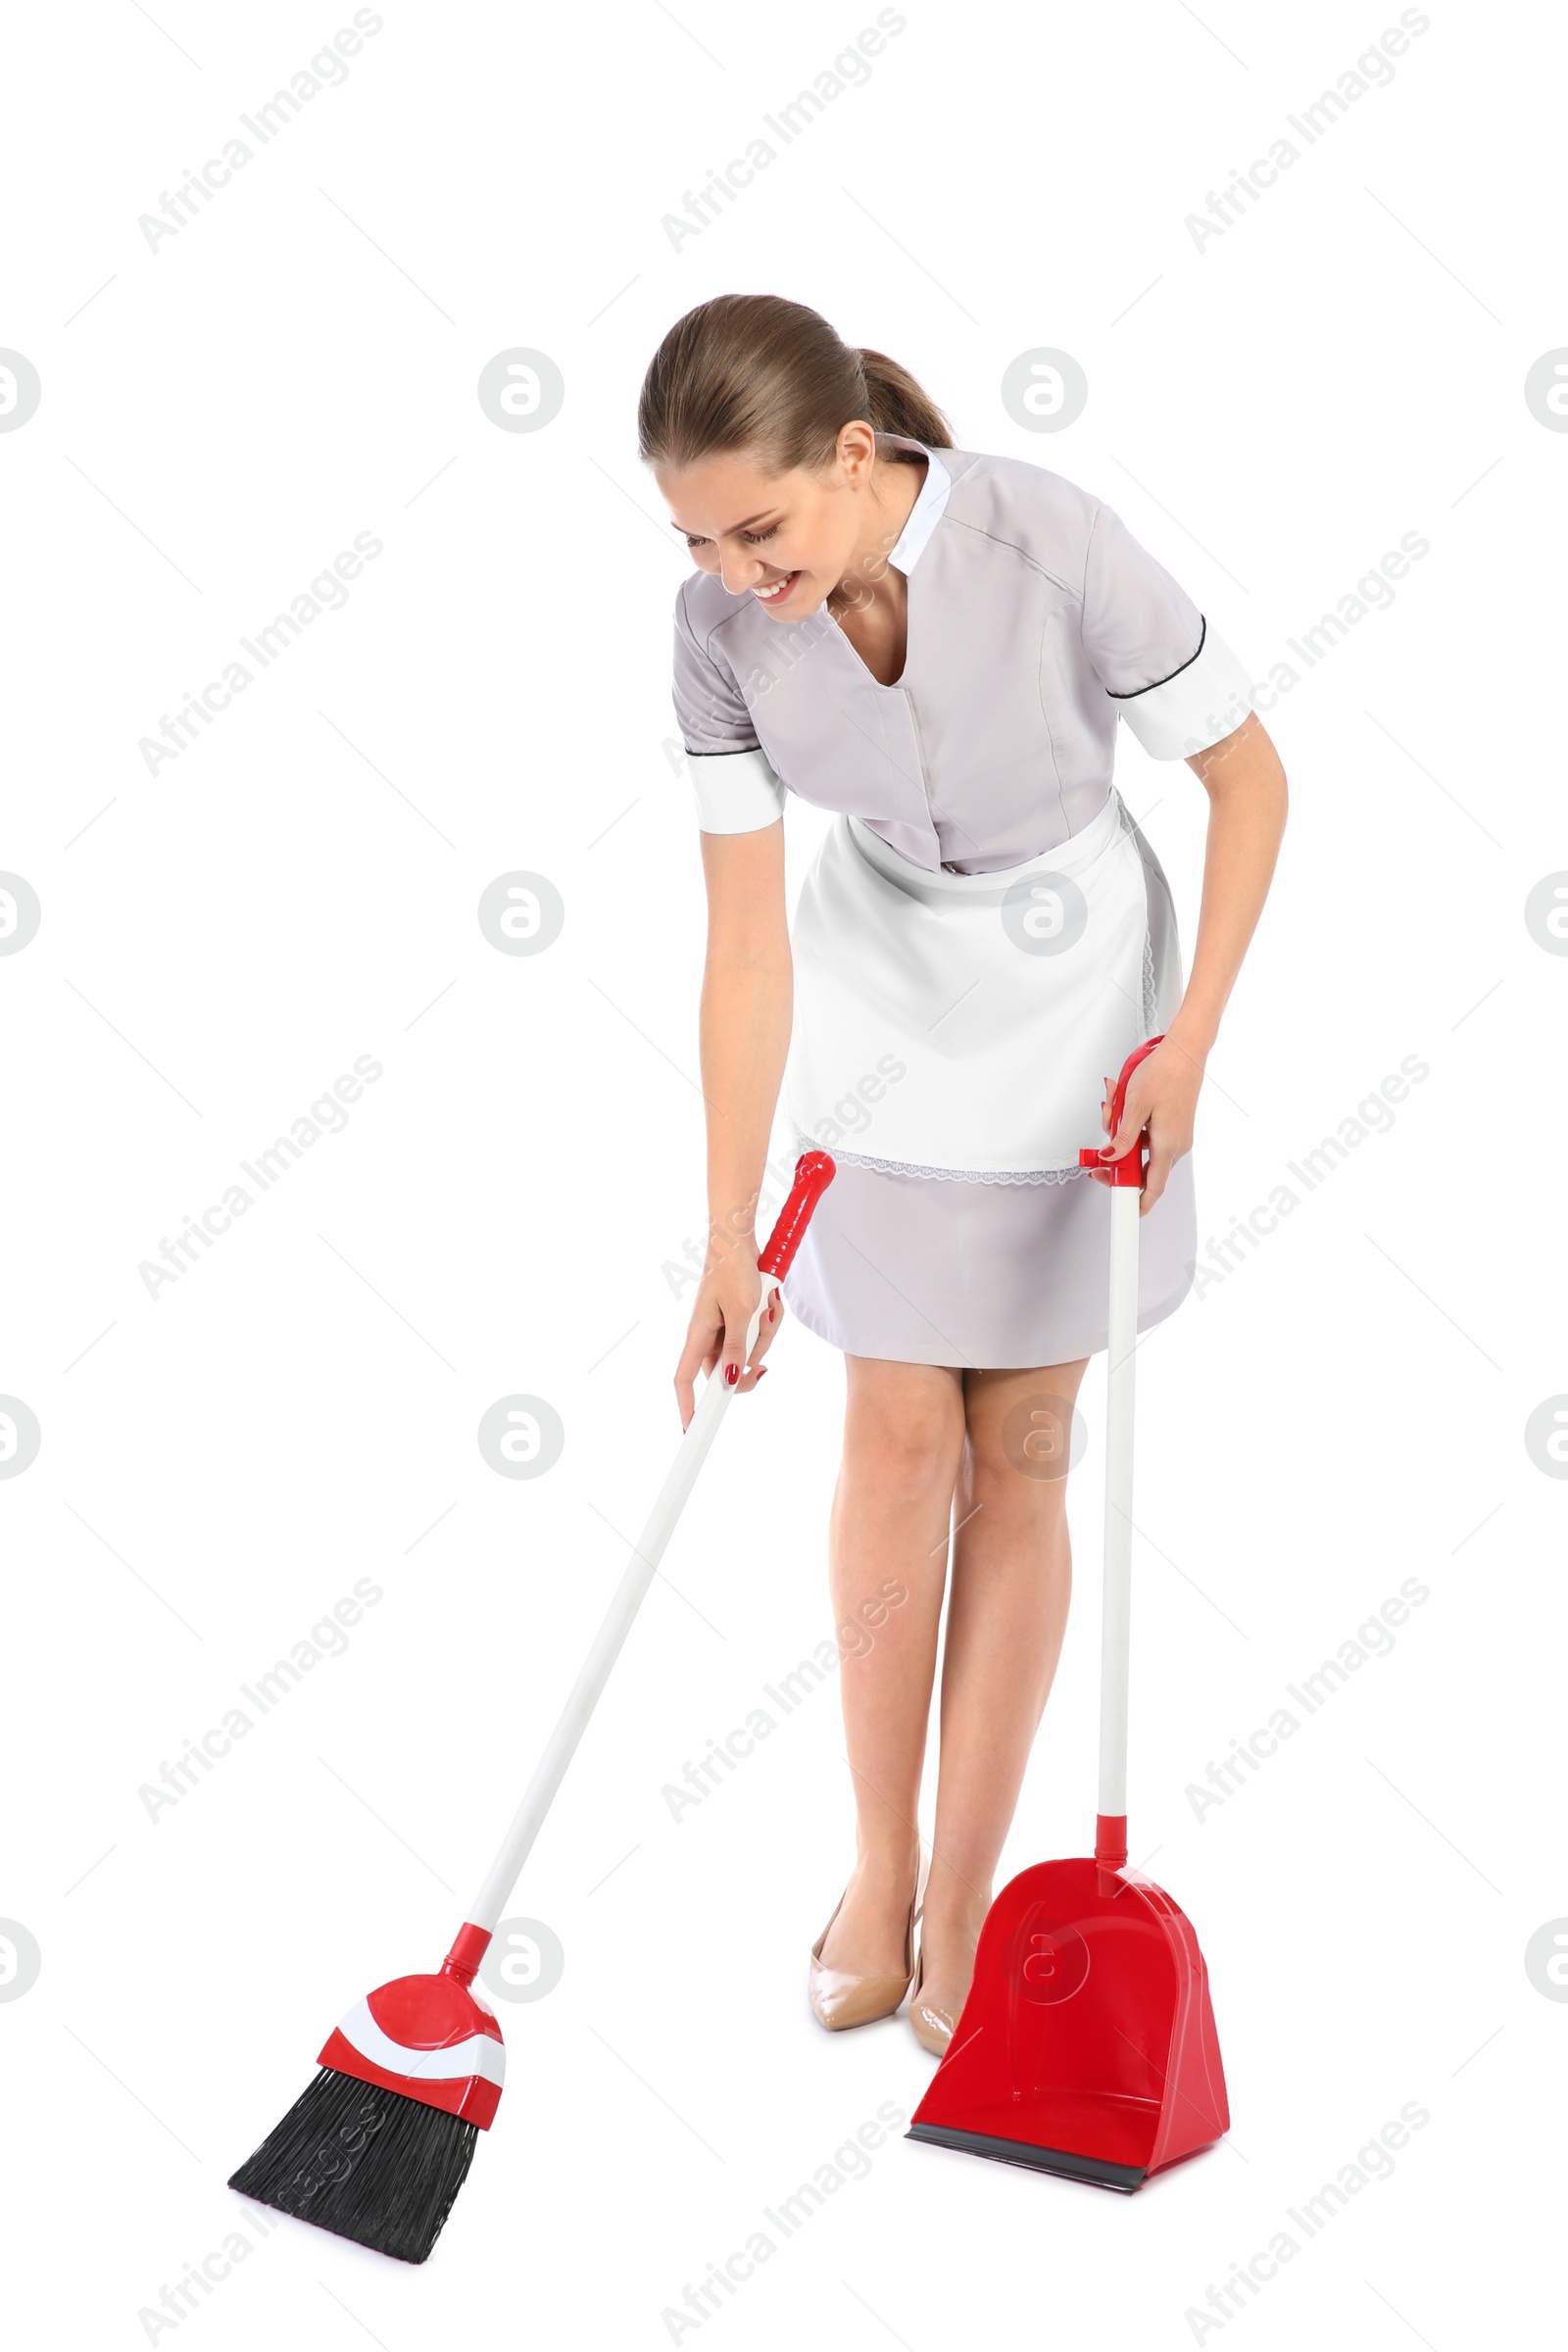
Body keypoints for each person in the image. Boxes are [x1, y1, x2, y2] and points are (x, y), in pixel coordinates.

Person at [641, 293, 1287, 2056]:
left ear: (854, 456)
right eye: (693, 535)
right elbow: (746, 950)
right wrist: (722, 1232)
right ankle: (876, 1858)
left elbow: (1247, 778)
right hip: (883, 1004)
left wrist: (1194, 1045)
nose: (729, 569)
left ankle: (965, 1892)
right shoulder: (716, 630)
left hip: (1083, 994)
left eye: (757, 528)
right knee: (896, 1432)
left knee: (1020, 1447)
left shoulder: (1046, 536)